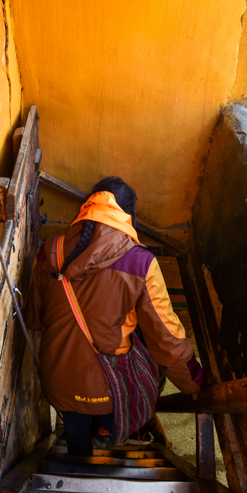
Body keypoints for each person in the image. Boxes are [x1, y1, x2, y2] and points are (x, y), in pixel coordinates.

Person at [25, 176, 205, 457]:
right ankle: (107, 432)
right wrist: (194, 384)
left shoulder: (49, 251)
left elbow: (35, 320)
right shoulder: (141, 263)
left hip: (56, 380)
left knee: (74, 428)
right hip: (109, 391)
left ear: (86, 208)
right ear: (128, 215)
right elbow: (166, 340)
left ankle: (79, 464)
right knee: (135, 384)